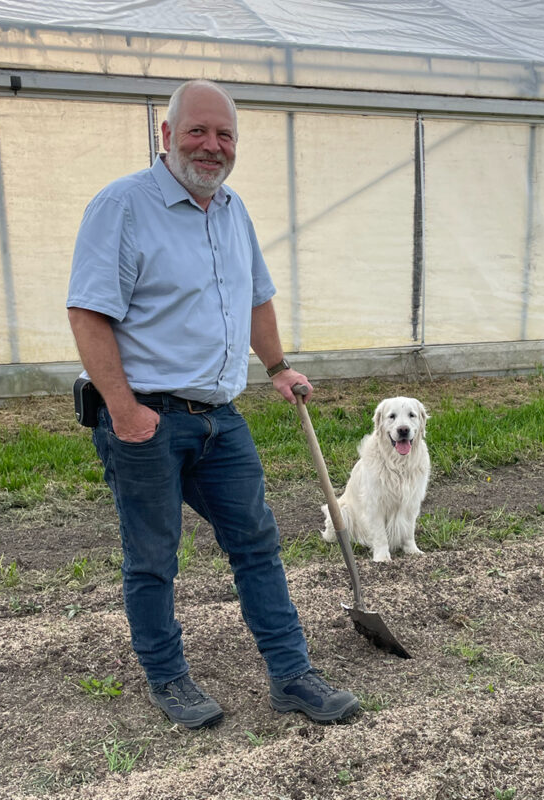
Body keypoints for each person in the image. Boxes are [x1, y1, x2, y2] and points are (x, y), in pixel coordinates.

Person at [66, 79, 359, 729]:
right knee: (153, 556)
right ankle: (167, 678)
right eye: (197, 130)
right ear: (166, 135)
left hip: (220, 418)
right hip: (146, 418)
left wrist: (277, 367)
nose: (212, 145)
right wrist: (122, 407)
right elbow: (87, 313)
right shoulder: (122, 206)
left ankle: (291, 675)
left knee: (257, 544)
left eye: (224, 135)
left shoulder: (231, 209)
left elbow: (256, 296)